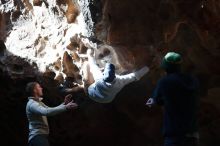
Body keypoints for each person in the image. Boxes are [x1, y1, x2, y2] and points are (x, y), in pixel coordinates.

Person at [146, 52, 199, 146]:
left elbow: (154, 101)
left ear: (165, 67)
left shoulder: (164, 82)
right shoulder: (192, 80)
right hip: (193, 136)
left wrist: (150, 101)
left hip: (174, 137)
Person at [82, 49, 150, 103]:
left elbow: (92, 64)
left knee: (86, 64)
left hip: (93, 94)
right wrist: (148, 67)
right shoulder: (119, 81)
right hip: (107, 99)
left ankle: (79, 88)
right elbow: (135, 76)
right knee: (92, 68)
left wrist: (89, 53)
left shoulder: (100, 79)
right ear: (114, 75)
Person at [26, 82, 78, 146]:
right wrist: (65, 107)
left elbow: (50, 109)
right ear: (34, 90)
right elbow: (47, 112)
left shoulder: (38, 103)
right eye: (39, 87)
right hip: (37, 137)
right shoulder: (32, 104)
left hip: (39, 137)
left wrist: (64, 103)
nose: (41, 88)